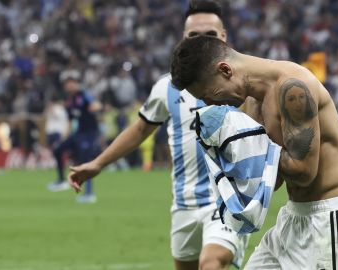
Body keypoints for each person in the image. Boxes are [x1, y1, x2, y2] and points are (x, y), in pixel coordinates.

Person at [68, 1, 248, 269]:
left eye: (210, 35)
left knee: (211, 263)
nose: (202, 43)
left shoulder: (246, 83)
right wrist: (98, 163)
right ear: (183, 40)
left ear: (224, 37)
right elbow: (141, 128)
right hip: (184, 205)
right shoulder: (167, 87)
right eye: (194, 36)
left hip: (226, 200)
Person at [170, 36, 338, 269]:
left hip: (331, 219)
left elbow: (304, 171)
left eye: (208, 94)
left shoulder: (293, 87)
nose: (210, 102)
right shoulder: (252, 100)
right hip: (294, 216)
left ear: (225, 70)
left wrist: (250, 140)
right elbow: (271, 180)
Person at [47, 69, 102, 204]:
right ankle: (61, 181)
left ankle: (89, 194)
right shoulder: (69, 101)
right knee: (58, 149)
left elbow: (96, 104)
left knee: (86, 162)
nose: (69, 86)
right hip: (78, 134)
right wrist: (64, 138)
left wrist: (95, 107)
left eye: (71, 83)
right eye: (67, 83)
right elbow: (70, 121)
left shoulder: (84, 95)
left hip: (89, 134)